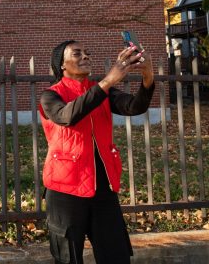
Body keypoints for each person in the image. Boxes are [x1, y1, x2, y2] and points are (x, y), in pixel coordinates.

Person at [39, 40, 155, 264]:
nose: (85, 56)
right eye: (77, 54)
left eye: (87, 53)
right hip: (66, 190)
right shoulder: (51, 96)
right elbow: (66, 117)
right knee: (68, 258)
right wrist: (108, 80)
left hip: (103, 188)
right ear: (62, 64)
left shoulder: (103, 92)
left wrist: (148, 77)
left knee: (116, 255)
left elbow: (134, 106)